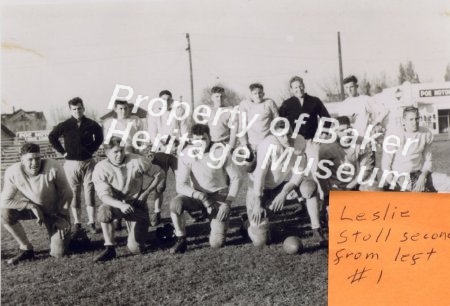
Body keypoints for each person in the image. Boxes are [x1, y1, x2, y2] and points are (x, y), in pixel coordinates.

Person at [245, 121, 325, 247]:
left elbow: (299, 173)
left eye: (288, 134)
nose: (286, 138)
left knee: (309, 187)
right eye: (281, 135)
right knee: (261, 242)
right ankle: (247, 223)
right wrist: (258, 204)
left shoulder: (299, 141)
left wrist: (284, 193)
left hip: (279, 185)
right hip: (259, 188)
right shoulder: (267, 145)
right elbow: (259, 177)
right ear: (275, 136)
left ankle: (316, 229)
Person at [169, 124, 242, 254]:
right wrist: (201, 197)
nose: (200, 143)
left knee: (216, 243)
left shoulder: (220, 151)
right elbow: (180, 185)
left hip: (218, 195)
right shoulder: (186, 153)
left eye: (203, 139)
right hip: (197, 195)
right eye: (196, 140)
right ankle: (181, 238)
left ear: (209, 138)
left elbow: (237, 178)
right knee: (176, 204)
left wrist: (228, 203)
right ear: (191, 140)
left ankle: (243, 222)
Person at [91, 136, 165, 262]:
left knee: (135, 249)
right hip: (117, 205)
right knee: (104, 211)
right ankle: (110, 248)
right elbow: (104, 196)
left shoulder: (137, 160)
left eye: (121, 150)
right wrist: (121, 205)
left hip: (136, 205)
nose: (119, 154)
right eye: (115, 152)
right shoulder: (100, 168)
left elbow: (160, 173)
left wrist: (146, 193)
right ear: (107, 153)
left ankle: (161, 233)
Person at [1, 143, 72, 265]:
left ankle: (73, 236)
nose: (35, 163)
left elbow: (68, 194)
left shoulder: (53, 166)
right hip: (33, 210)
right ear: (21, 160)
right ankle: (26, 248)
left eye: (37, 158)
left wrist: (61, 215)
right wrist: (31, 206)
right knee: (4, 213)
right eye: (30, 159)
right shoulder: (13, 172)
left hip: (56, 212)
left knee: (58, 253)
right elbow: (4, 201)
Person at [48, 97, 104, 235]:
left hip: (88, 162)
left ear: (83, 108)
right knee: (74, 193)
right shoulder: (65, 124)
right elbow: (52, 137)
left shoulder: (91, 124)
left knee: (90, 192)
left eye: (79, 108)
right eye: (74, 109)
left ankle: (91, 222)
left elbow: (100, 138)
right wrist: (63, 152)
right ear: (70, 110)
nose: (77, 111)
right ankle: (78, 223)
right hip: (71, 164)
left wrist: (91, 150)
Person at [382, 106, 450, 192]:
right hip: (400, 178)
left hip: (419, 174)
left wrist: (423, 176)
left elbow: (428, 160)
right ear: (403, 121)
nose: (415, 122)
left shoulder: (425, 133)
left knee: (447, 182)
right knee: (421, 198)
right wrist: (393, 184)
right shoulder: (395, 135)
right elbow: (386, 165)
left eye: (417, 119)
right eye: (411, 119)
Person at [146, 90, 189, 226]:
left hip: (177, 151)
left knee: (182, 181)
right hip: (161, 150)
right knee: (160, 185)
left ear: (172, 100)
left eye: (169, 99)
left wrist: (180, 147)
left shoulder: (180, 111)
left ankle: (187, 208)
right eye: (163, 99)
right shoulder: (154, 113)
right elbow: (152, 134)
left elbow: (185, 132)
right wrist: (164, 148)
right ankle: (157, 213)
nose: (166, 101)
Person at [238, 83, 279, 151]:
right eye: (255, 93)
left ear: (263, 93)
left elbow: (277, 121)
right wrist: (245, 145)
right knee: (249, 161)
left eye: (260, 93)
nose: (258, 95)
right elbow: (242, 127)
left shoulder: (269, 103)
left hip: (268, 142)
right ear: (251, 95)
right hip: (252, 144)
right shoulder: (245, 105)